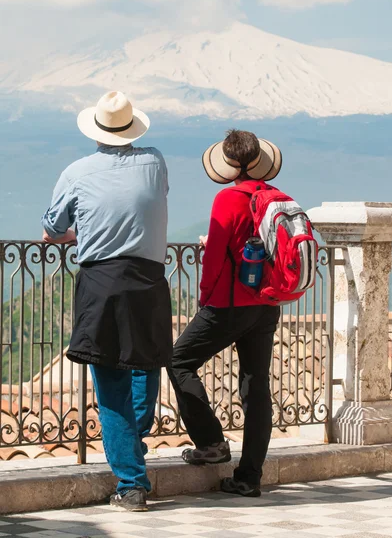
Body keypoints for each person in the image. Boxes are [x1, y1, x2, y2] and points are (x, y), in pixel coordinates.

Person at [41, 91, 172, 512]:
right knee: (145, 365)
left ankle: (132, 484)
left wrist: (84, 231)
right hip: (150, 281)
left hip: (102, 283)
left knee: (111, 386)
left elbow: (51, 227)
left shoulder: (77, 171)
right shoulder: (155, 162)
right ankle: (134, 446)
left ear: (96, 130)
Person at [168, 129, 282, 498]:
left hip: (230, 303)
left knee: (179, 360)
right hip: (267, 304)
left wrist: (205, 298)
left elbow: (216, 257)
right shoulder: (275, 197)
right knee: (256, 385)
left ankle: (212, 442)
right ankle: (249, 477)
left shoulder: (228, 198)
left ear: (229, 162)